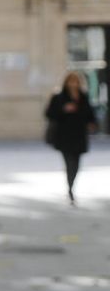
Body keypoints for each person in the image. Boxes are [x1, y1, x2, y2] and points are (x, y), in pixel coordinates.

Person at [46, 71, 97, 205]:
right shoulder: (59, 97)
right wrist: (64, 109)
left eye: (76, 81)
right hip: (64, 136)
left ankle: (71, 185)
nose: (73, 84)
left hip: (79, 136)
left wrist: (92, 123)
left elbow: (90, 114)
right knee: (69, 163)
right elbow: (49, 113)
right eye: (71, 81)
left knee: (77, 165)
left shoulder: (83, 97)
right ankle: (70, 189)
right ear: (66, 82)